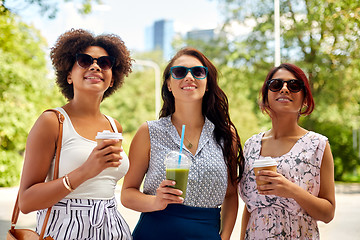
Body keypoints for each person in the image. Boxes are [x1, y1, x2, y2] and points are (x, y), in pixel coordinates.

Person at [18, 29, 133, 240]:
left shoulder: (114, 127)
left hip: (114, 230)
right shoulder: (52, 122)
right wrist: (86, 171)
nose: (95, 66)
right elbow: (26, 202)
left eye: (105, 62)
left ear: (113, 79)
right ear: (69, 75)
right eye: (84, 60)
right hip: (66, 231)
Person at [121, 47, 244, 240]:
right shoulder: (148, 132)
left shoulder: (226, 135)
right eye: (179, 72)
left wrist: (225, 237)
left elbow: (230, 195)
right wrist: (156, 201)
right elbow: (127, 194)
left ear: (207, 83)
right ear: (169, 84)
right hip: (155, 233)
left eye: (198, 72)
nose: (189, 77)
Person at [239, 63, 336, 239]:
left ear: (305, 99)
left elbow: (328, 213)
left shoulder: (318, 145)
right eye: (276, 85)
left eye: (294, 86)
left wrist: (290, 190)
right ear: (266, 97)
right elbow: (250, 208)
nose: (284, 89)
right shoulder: (251, 145)